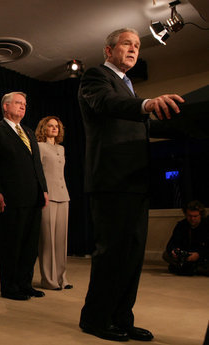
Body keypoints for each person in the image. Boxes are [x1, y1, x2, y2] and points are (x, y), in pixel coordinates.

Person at [78, 28, 185, 342]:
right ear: (108, 50)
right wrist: (147, 104)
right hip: (110, 179)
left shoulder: (129, 87)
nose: (134, 49)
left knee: (133, 255)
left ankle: (122, 318)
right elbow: (107, 104)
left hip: (135, 179)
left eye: (137, 45)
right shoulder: (96, 77)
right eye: (127, 43)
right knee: (111, 253)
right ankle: (95, 319)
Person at [0, 91, 49, 301]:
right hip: (10, 197)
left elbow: (37, 165)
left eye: (24, 104)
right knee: (12, 244)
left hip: (34, 197)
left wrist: (44, 189)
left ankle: (24, 284)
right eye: (18, 103)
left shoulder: (28, 132)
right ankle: (10, 287)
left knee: (30, 245)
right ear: (5, 106)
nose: (22, 107)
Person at [34, 116, 72, 290]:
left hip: (63, 195)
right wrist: (42, 193)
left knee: (61, 240)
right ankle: (48, 280)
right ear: (44, 128)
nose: (54, 128)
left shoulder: (61, 149)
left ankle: (61, 278)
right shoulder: (40, 147)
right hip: (47, 196)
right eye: (50, 126)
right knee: (47, 239)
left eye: (57, 126)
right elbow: (38, 173)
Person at [163, 200, 209, 276]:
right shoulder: (181, 225)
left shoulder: (206, 226)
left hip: (201, 257)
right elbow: (171, 244)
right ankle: (193, 268)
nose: (192, 219)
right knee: (165, 255)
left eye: (195, 216)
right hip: (185, 255)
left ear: (200, 215)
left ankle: (190, 268)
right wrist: (174, 251)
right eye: (189, 216)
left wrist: (198, 255)